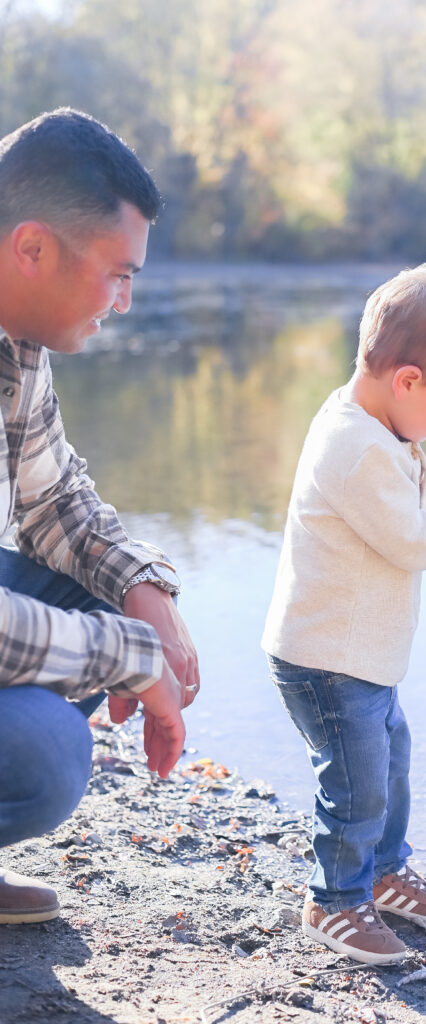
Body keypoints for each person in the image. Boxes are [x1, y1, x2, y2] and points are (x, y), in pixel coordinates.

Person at [262, 261, 426, 964]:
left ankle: (382, 868)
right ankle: (334, 899)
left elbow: (389, 511)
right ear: (407, 380)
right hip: (327, 657)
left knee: (388, 762)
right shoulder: (354, 444)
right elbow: (404, 538)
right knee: (354, 783)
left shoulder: (369, 428)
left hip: (358, 657)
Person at [0, 109, 200, 925]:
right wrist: (128, 655)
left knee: (98, 600)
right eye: (118, 274)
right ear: (33, 248)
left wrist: (144, 594)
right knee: (47, 753)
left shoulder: (18, 342)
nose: (122, 303)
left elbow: (54, 500)